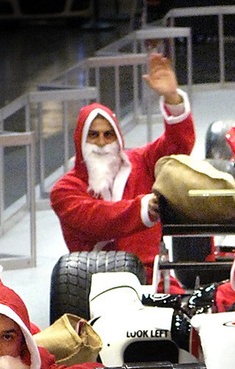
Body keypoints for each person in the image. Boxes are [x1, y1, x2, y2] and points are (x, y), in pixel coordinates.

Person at [49, 53, 195, 281]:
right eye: (93, 136)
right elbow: (98, 220)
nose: (100, 142)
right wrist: (144, 207)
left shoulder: (142, 162)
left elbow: (178, 147)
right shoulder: (64, 191)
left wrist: (172, 98)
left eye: (108, 135)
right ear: (80, 141)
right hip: (92, 285)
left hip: (150, 279)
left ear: (118, 137)